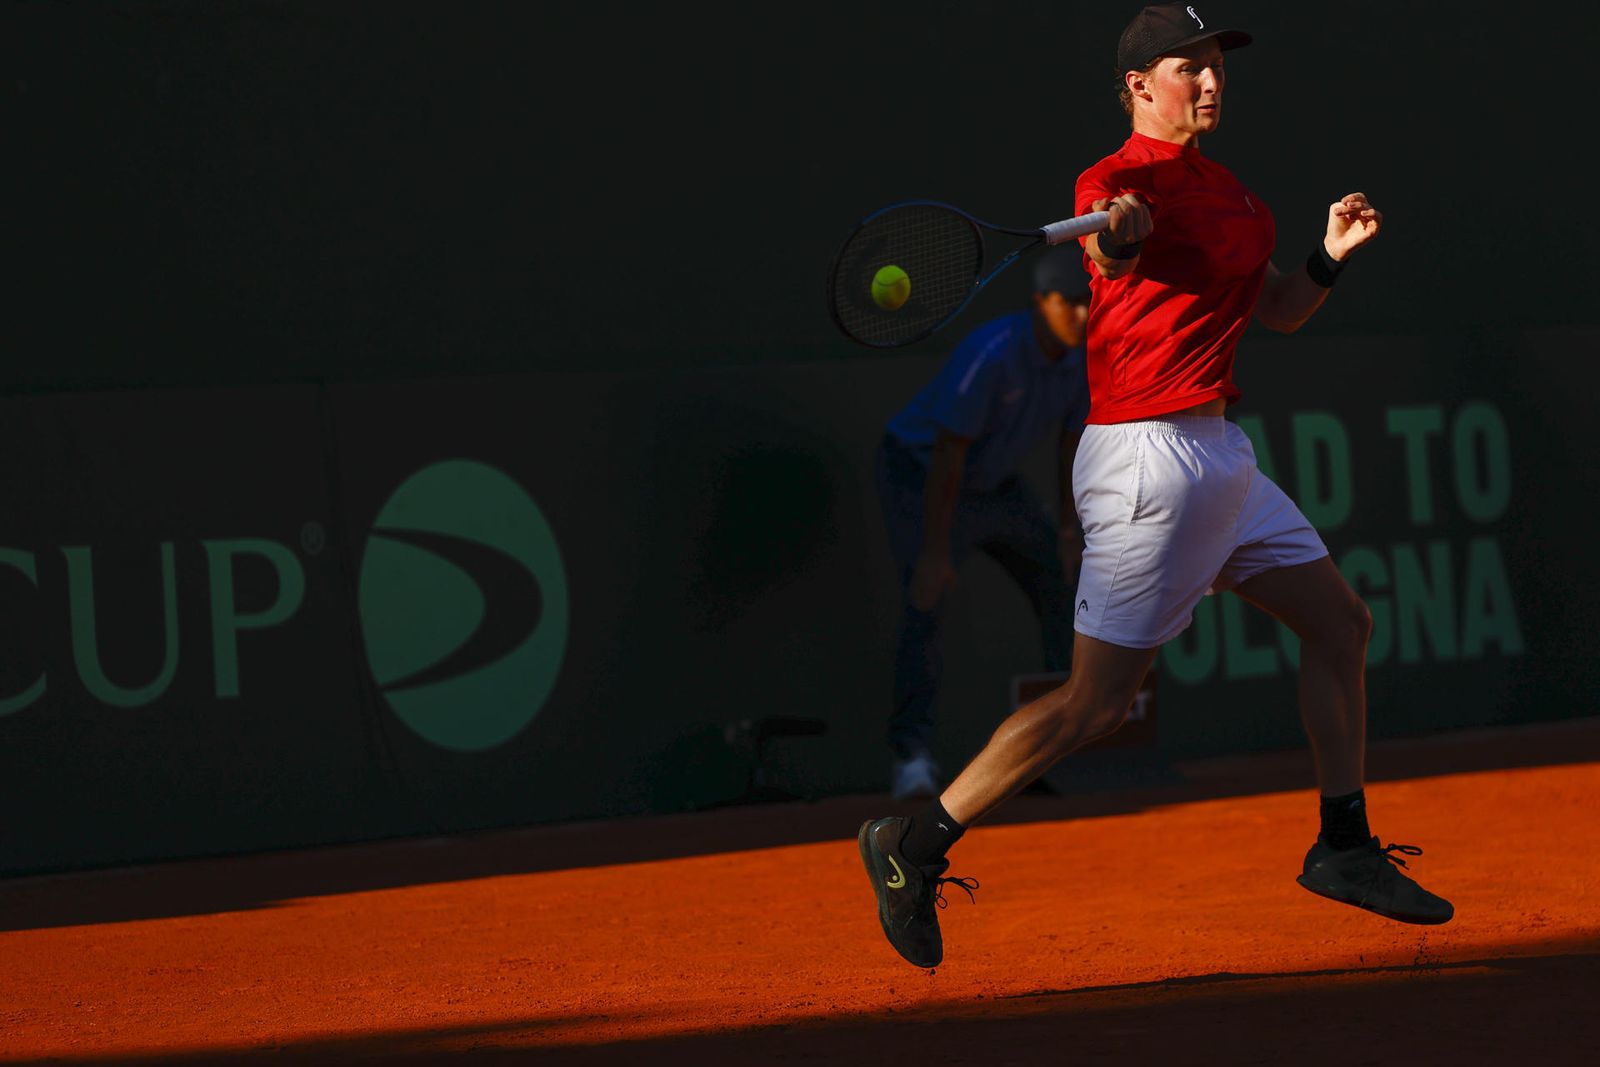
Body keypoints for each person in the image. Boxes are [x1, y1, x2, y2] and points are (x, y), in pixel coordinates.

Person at [857, 2, 1453, 969]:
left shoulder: (1242, 201)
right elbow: (1109, 253)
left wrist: (1328, 256)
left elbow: (1283, 312)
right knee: (1096, 706)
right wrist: (1122, 237)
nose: (1210, 81)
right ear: (1139, 86)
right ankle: (912, 844)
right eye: (1189, 67)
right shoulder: (1113, 181)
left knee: (1342, 624)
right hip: (1146, 460)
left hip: (1221, 453)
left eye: (1217, 65)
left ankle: (1342, 845)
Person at [875, 246, 1093, 801]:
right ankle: (911, 757)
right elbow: (948, 455)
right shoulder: (992, 353)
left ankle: (1053, 748)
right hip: (921, 476)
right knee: (928, 599)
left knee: (1061, 583)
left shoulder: (1080, 359)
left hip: (996, 485)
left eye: (1088, 303)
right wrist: (934, 551)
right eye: (1070, 303)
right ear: (1041, 302)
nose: (1083, 315)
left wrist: (1069, 530)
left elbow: (1071, 446)